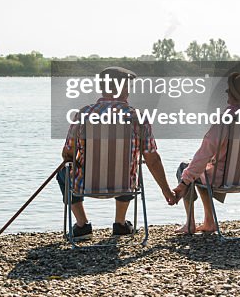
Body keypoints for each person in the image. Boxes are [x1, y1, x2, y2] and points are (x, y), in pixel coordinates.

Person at [58, 66, 177, 238]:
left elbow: (67, 154)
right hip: (125, 185)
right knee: (131, 166)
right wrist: (166, 190)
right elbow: (152, 159)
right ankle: (120, 224)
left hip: (86, 185)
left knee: (64, 171)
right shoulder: (138, 117)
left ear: (101, 87)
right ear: (126, 89)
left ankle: (82, 225)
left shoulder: (84, 114)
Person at [173, 71, 240, 235]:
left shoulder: (226, 120)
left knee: (186, 168)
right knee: (202, 170)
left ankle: (190, 224)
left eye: (230, 90)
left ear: (236, 96)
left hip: (222, 179)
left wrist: (183, 183)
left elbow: (204, 153)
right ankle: (208, 222)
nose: (227, 92)